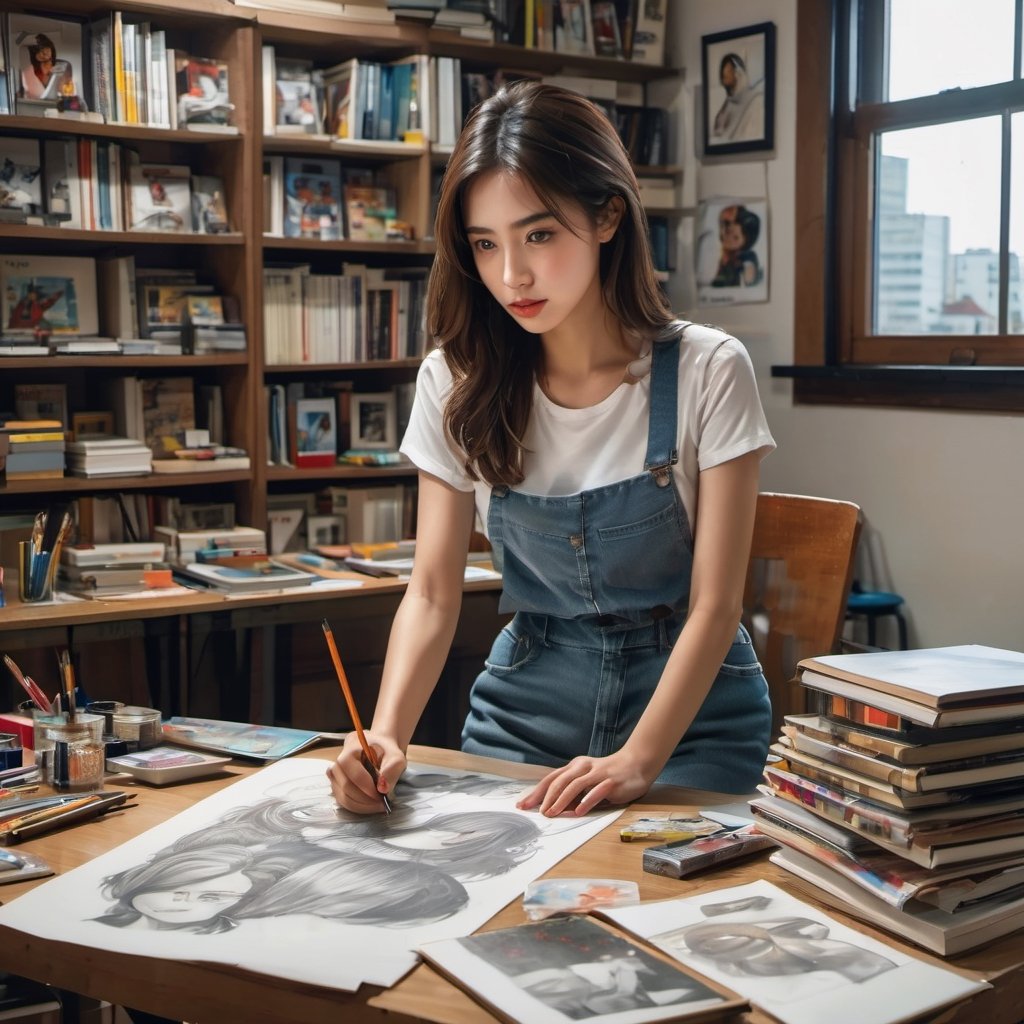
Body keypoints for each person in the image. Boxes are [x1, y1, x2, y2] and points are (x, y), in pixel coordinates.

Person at [328, 81, 774, 819]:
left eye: (537, 235)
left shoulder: (708, 369)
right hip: (527, 705)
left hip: (693, 721)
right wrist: (384, 736)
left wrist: (637, 760)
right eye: (485, 243)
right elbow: (434, 594)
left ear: (606, 216)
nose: (512, 276)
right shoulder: (455, 379)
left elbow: (716, 607)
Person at [711, 53, 765, 143]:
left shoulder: (755, 100)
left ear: (738, 73)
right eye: (724, 71)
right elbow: (718, 132)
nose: (725, 73)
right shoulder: (726, 103)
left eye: (730, 70)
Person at [711, 204, 761, 288]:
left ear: (743, 245)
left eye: (736, 238)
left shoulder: (744, 258)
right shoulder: (715, 245)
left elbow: (749, 277)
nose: (729, 238)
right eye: (728, 231)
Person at [20, 34, 73, 101]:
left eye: (46, 48)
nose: (44, 53)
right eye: (39, 50)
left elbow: (67, 91)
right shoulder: (28, 73)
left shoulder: (63, 67)